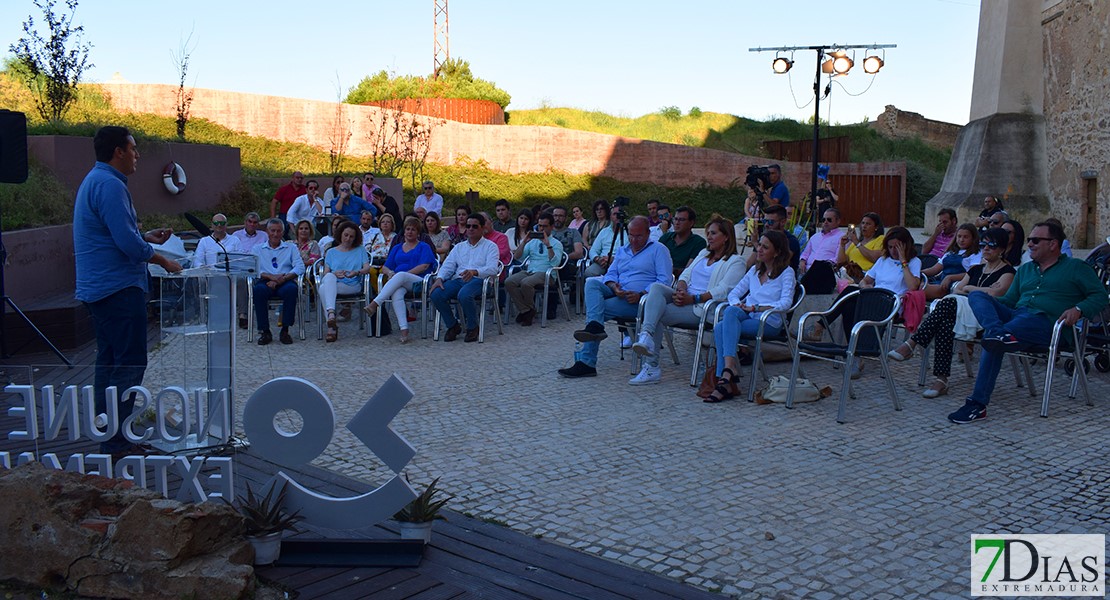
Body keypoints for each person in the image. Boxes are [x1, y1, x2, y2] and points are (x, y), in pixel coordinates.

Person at [74, 125, 183, 457]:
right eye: (133, 148)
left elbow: (115, 235)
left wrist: (145, 237)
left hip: (102, 289)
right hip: (118, 289)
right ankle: (118, 440)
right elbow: (124, 244)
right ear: (118, 152)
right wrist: (164, 260)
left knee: (109, 360)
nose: (137, 155)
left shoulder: (97, 180)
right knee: (129, 362)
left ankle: (109, 432)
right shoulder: (109, 184)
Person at [947, 221, 1108, 424]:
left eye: (1035, 240)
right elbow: (1009, 302)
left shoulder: (1076, 267)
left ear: (1053, 244)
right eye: (1029, 240)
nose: (1029, 244)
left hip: (1049, 325)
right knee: (978, 298)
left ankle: (977, 404)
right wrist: (989, 300)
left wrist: (1078, 309)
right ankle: (998, 332)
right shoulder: (1025, 270)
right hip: (1016, 320)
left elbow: (1100, 296)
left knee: (999, 333)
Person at [888, 228, 1016, 399]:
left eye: (991, 245)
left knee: (948, 303)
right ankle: (941, 380)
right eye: (983, 244)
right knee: (945, 322)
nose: (985, 248)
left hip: (987, 320)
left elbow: (995, 294)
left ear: (1001, 249)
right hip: (963, 315)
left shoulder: (1008, 272)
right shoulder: (976, 270)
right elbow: (958, 290)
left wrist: (972, 289)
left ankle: (913, 342)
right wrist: (977, 291)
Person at [632, 215, 745, 385]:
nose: (709, 237)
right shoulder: (703, 253)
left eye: (713, 233)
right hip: (685, 298)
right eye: (708, 233)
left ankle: (652, 366)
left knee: (656, 313)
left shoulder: (736, 262)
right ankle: (646, 335)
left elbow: (723, 291)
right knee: (655, 289)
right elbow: (685, 274)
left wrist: (693, 298)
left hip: (703, 307)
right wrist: (681, 290)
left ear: (726, 237)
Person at [559, 217, 673, 378]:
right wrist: (613, 286)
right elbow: (611, 273)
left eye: (639, 236)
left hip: (641, 300)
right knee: (592, 282)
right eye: (631, 235)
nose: (634, 239)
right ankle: (594, 330)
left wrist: (642, 293)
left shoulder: (658, 250)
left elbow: (665, 281)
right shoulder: (623, 250)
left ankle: (586, 362)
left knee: (596, 311)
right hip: (619, 291)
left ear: (648, 233)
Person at [706, 229, 796, 402]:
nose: (759, 250)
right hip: (748, 316)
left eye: (765, 247)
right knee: (728, 315)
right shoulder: (755, 271)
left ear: (777, 252)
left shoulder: (786, 273)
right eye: (759, 245)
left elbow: (786, 303)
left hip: (769, 321)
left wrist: (755, 308)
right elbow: (734, 293)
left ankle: (724, 378)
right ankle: (728, 372)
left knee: (721, 326)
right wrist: (737, 304)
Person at [427, 213, 500, 343]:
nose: (470, 229)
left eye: (474, 226)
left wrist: (475, 272)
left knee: (464, 295)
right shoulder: (459, 247)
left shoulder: (491, 246)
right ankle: (453, 325)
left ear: (482, 228)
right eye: (468, 226)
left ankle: (473, 327)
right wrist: (440, 278)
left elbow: (493, 269)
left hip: (481, 281)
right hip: (459, 280)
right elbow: (448, 265)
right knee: (436, 293)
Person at [365, 217, 436, 344]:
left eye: (413, 230)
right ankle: (404, 329)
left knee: (401, 276)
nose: (409, 232)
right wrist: (391, 273)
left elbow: (424, 266)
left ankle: (375, 304)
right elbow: (386, 266)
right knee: (396, 292)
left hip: (419, 281)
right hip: (399, 280)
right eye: (407, 229)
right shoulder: (397, 247)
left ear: (418, 232)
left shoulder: (423, 247)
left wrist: (403, 275)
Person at [251, 218, 305, 345]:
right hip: (265, 280)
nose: (275, 234)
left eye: (279, 231)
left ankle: (285, 330)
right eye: (272, 231)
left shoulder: (291, 247)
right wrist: (270, 277)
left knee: (292, 290)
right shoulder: (257, 249)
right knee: (258, 291)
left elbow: (300, 267)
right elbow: (252, 268)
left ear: (283, 232)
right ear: (267, 231)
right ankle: (265, 331)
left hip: (285, 280)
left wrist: (282, 279)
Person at [505, 212, 565, 326]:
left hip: (547, 273)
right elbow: (517, 257)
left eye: (544, 226)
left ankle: (527, 311)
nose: (541, 228)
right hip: (531, 271)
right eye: (539, 225)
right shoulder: (533, 241)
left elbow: (555, 263)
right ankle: (527, 310)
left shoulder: (556, 243)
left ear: (551, 227)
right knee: (509, 282)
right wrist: (524, 242)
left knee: (526, 283)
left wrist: (548, 246)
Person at [319, 221, 369, 343]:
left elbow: (367, 268)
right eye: (346, 235)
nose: (348, 238)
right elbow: (325, 273)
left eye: (351, 236)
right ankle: (331, 315)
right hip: (334, 283)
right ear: (340, 234)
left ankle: (331, 326)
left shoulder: (360, 250)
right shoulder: (331, 252)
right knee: (329, 278)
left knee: (322, 289)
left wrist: (356, 272)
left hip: (352, 284)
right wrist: (334, 274)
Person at [923, 224, 978, 300]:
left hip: (954, 285)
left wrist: (950, 277)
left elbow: (973, 273)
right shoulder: (950, 252)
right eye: (959, 236)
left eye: (965, 237)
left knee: (921, 291)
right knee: (914, 284)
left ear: (973, 238)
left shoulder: (975, 254)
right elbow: (934, 270)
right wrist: (919, 272)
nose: (961, 240)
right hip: (940, 281)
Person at [798, 208, 844, 294]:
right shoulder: (815, 237)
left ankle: (801, 286)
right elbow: (805, 253)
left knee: (819, 265)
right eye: (823, 220)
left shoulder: (842, 237)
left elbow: (837, 259)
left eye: (829, 220)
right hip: (806, 270)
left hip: (825, 272)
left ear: (838, 221)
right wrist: (802, 261)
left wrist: (822, 264)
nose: (825, 222)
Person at [747, 204, 800, 273]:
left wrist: (755, 243)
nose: (766, 224)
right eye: (764, 221)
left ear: (783, 222)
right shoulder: (764, 239)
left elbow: (778, 264)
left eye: (770, 222)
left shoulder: (791, 241)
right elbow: (749, 263)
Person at [658, 206, 707, 277]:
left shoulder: (698, 242)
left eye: (682, 220)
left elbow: (689, 270)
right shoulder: (665, 238)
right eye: (675, 219)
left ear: (691, 223)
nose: (677, 223)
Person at [837, 212, 884, 282]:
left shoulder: (880, 239)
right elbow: (841, 262)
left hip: (865, 275)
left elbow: (874, 258)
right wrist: (842, 245)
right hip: (849, 273)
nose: (864, 226)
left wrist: (857, 243)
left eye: (868, 224)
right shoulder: (855, 243)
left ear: (876, 227)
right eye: (863, 223)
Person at [584, 209, 628, 278]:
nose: (617, 216)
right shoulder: (604, 232)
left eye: (619, 214)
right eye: (614, 214)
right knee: (589, 272)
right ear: (610, 216)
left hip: (622, 263)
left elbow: (632, 252)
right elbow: (593, 250)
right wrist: (598, 259)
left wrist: (614, 259)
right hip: (602, 263)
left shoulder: (629, 232)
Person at [366, 213, 397, 290]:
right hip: (375, 262)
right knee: (371, 272)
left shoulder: (396, 237)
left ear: (392, 224)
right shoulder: (374, 236)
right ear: (380, 224)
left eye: (388, 222)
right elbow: (367, 250)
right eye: (383, 222)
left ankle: (384, 292)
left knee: (384, 273)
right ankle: (378, 293)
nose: (385, 224)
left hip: (388, 263)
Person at [270, 171, 305, 236]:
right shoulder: (284, 189)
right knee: (282, 232)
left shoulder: (305, 190)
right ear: (292, 178)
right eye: (297, 178)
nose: (299, 179)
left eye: (301, 178)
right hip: (284, 215)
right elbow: (274, 202)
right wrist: (273, 217)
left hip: (299, 215)